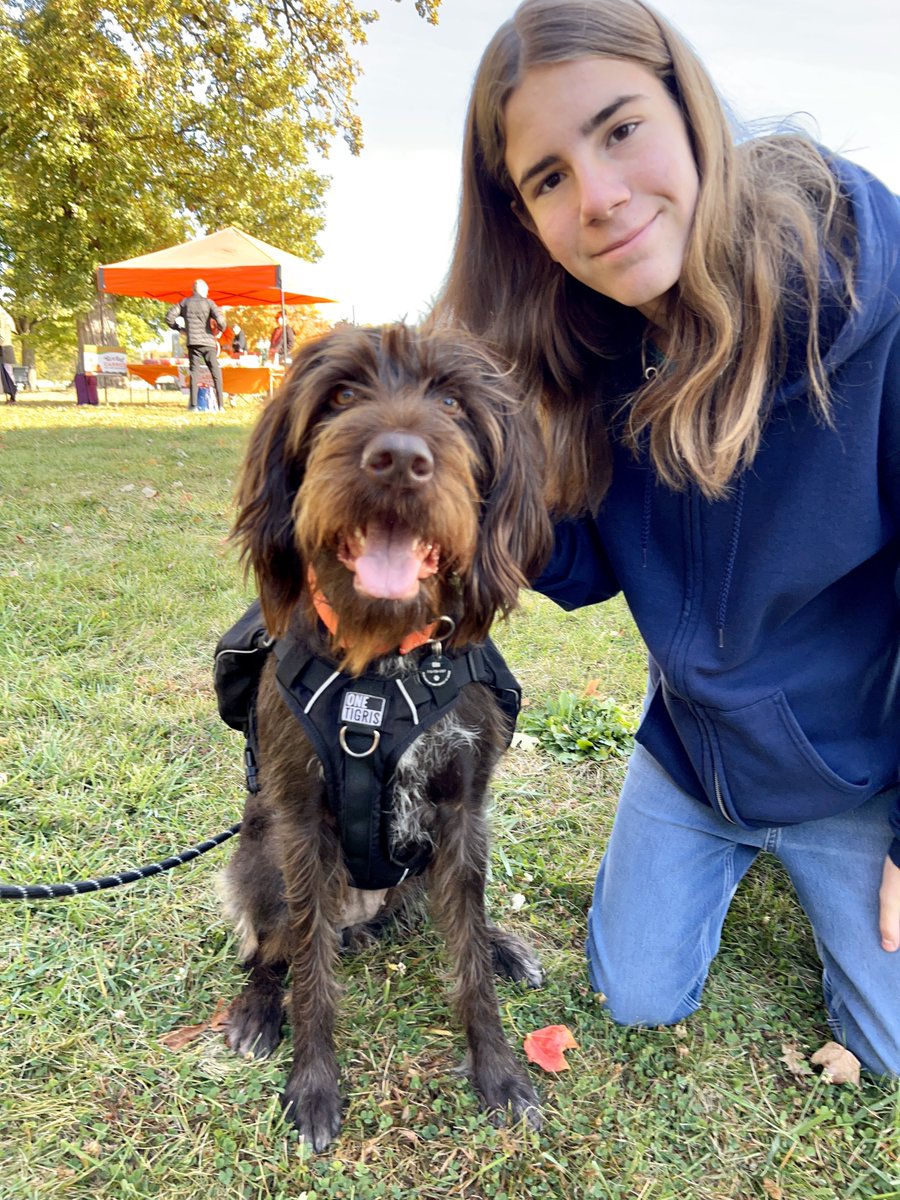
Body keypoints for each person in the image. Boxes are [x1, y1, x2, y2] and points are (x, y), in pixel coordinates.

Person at [432, 0, 900, 1076]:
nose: (597, 198)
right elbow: (594, 565)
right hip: (692, 755)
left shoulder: (876, 295)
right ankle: (719, 846)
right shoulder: (588, 341)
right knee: (632, 996)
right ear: (522, 218)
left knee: (890, 1053)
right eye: (548, 178)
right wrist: (484, 515)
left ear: (690, 110)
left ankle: (824, 859)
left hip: (853, 768)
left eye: (621, 128)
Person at [166, 279, 226, 410]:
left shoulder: (184, 302)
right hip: (208, 342)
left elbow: (169, 317)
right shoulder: (209, 303)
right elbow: (221, 321)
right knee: (215, 372)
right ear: (204, 291)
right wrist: (219, 331)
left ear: (193, 290)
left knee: (194, 373)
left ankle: (193, 406)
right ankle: (221, 405)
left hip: (193, 342)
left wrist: (180, 329)